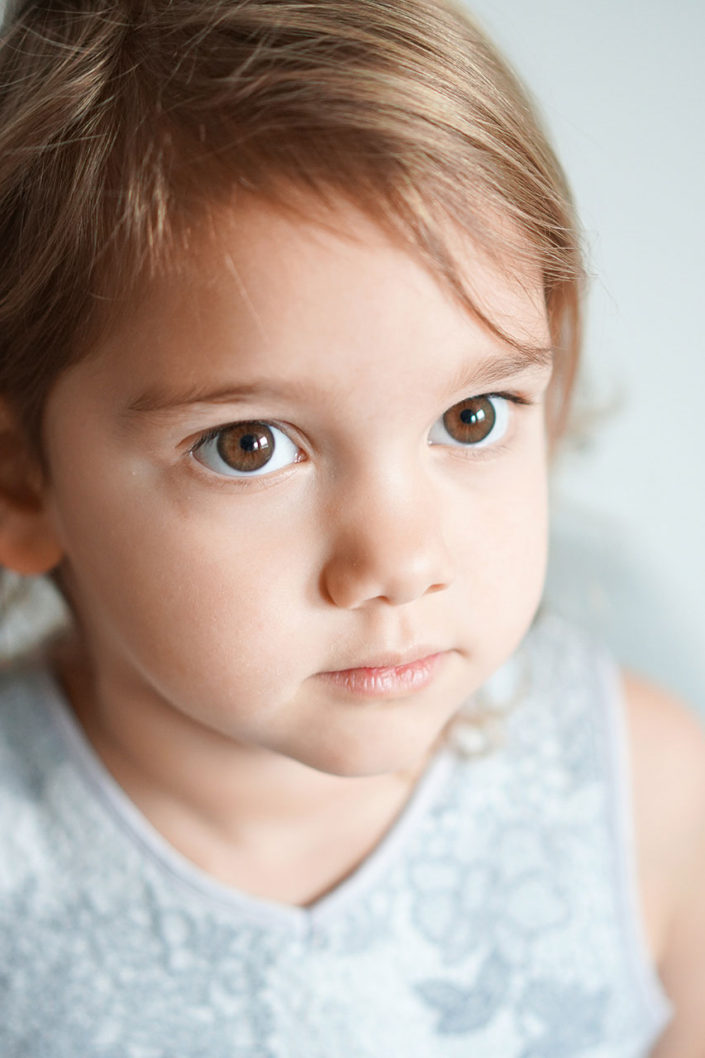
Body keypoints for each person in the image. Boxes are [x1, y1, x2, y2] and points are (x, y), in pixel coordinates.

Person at [0, 1, 703, 1054]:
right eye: (249, 445)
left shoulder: (641, 796)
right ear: (21, 482)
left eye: (470, 418)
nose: (400, 561)